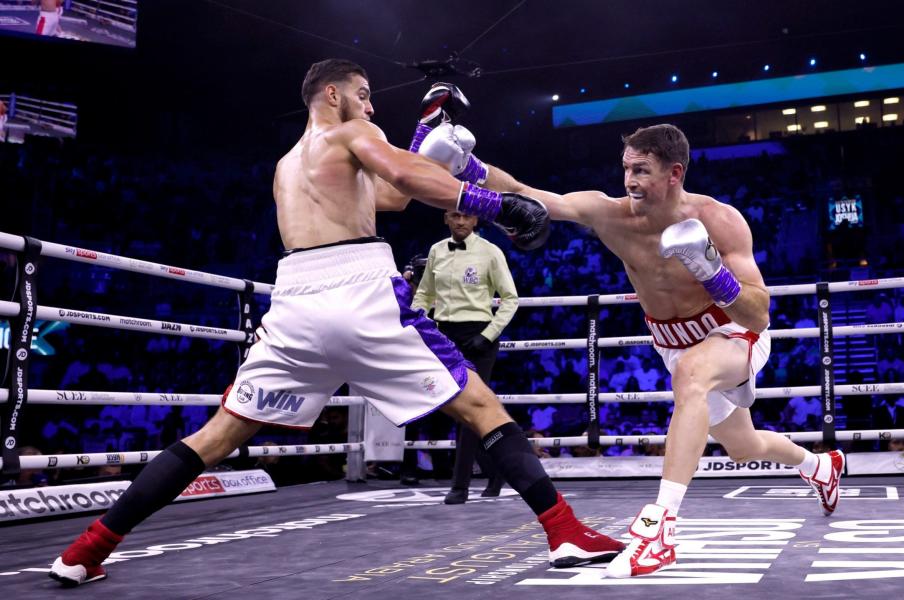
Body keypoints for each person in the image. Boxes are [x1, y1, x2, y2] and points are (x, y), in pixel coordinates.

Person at [49, 60, 622, 586]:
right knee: (479, 407)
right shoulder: (351, 134)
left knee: (217, 435)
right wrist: (498, 205)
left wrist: (427, 144)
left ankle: (86, 551)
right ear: (332, 94)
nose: (372, 108)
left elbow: (391, 196)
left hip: (295, 302)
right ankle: (564, 532)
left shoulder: (286, 165)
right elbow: (404, 174)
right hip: (359, 288)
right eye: (364, 96)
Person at [419, 119, 843, 578]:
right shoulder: (610, 214)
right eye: (626, 169)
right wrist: (468, 167)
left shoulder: (718, 219)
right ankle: (820, 465)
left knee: (693, 378)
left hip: (731, 331)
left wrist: (711, 271)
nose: (629, 181)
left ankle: (660, 530)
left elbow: (759, 314)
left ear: (674, 173)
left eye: (641, 170)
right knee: (743, 445)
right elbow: (532, 193)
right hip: (673, 342)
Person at [412, 208, 519, 503]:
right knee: (454, 409)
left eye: (466, 217)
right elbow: (424, 295)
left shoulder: (490, 252)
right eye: (455, 216)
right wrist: (420, 322)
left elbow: (510, 299)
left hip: (479, 335)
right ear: (446, 217)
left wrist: (487, 335)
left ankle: (460, 486)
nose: (460, 222)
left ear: (476, 220)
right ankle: (496, 471)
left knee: (471, 410)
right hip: (444, 334)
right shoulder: (436, 251)